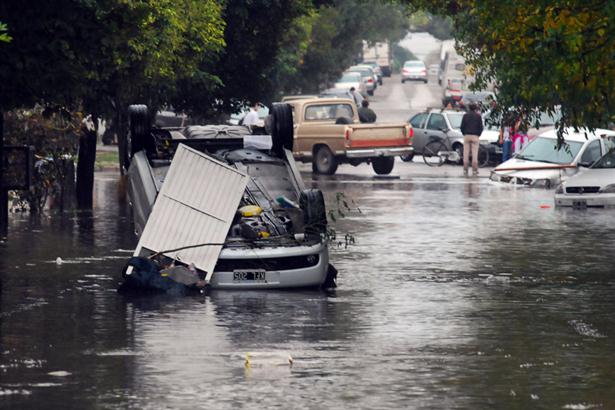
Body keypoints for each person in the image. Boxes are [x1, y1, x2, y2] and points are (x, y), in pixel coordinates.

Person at [460, 102, 484, 176]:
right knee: (474, 154)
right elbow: (481, 127)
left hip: (467, 135)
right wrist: (478, 134)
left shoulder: (465, 116)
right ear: (475, 108)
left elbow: (462, 126)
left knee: (465, 154)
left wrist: (464, 133)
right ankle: (474, 170)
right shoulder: (478, 116)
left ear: (469, 108)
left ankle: (465, 170)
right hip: (475, 136)